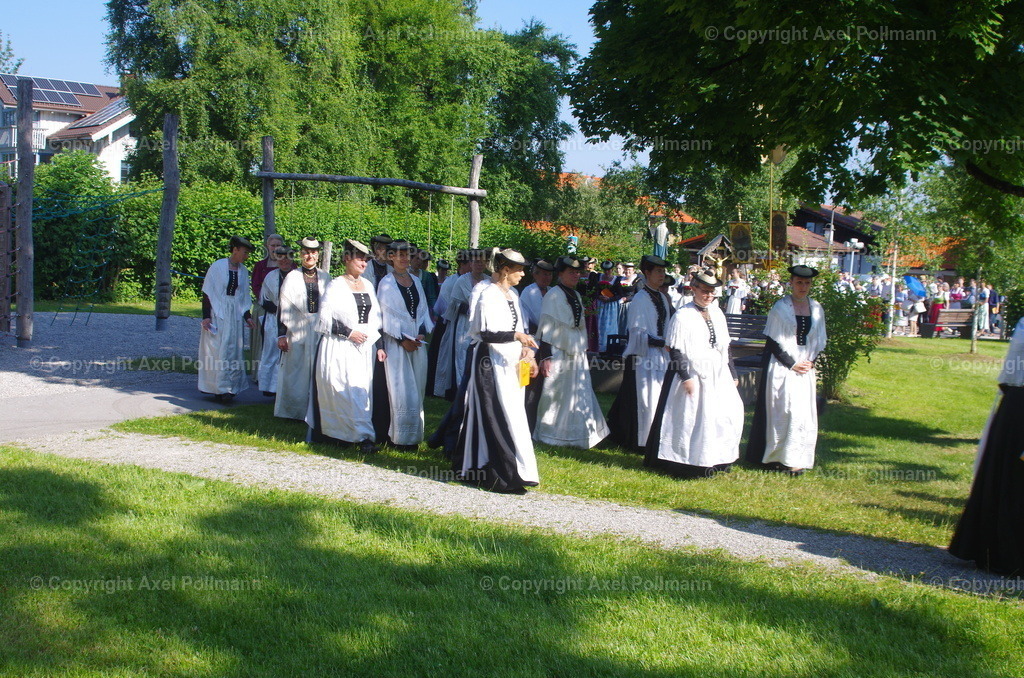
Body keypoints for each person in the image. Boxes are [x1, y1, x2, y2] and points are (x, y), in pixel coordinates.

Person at [456, 248, 540, 494]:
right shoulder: (488, 294)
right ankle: (496, 473)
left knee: (512, 413)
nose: (522, 274)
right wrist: (517, 336)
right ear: (505, 270)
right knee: (493, 413)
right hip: (489, 362)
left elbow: (521, 329)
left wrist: (527, 351)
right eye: (519, 270)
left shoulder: (513, 294)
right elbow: (485, 333)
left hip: (510, 362)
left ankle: (511, 471)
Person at [644, 270, 743, 478]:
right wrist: (686, 377)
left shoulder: (717, 313)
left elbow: (725, 346)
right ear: (694, 289)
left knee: (722, 416)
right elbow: (675, 349)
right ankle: (687, 463)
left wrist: (732, 373)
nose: (708, 295)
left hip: (717, 374)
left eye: (712, 292)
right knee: (690, 418)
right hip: (691, 373)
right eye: (704, 291)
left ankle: (716, 459)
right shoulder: (683, 315)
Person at [948, 316, 1024, 575]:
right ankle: (1002, 551)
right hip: (1016, 407)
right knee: (1011, 476)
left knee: (1010, 476)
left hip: (1015, 406)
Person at [745, 265, 827, 474]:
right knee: (784, 411)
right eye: (799, 282)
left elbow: (818, 340)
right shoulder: (780, 308)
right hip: (783, 367)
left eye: (807, 283)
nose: (803, 287)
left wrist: (811, 361)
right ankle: (777, 457)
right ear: (791, 283)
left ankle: (797, 458)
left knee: (802, 414)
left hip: (805, 368)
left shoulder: (816, 309)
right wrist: (792, 363)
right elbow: (773, 342)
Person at [306, 239, 385, 455]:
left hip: (362, 350)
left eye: (366, 260)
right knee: (341, 391)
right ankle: (349, 435)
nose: (364, 263)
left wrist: (378, 345)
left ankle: (362, 435)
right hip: (339, 347)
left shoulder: (368, 285)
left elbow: (375, 319)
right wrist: (349, 333)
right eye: (359, 258)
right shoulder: (336, 285)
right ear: (347, 259)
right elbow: (324, 318)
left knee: (360, 391)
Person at [534, 256, 610, 449]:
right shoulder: (553, 295)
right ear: (560, 274)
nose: (576, 275)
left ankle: (579, 433)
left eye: (578, 272)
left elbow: (580, 324)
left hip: (576, 350)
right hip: (558, 351)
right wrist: (546, 357)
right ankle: (552, 433)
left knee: (578, 390)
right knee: (557, 392)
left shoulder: (575, 294)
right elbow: (545, 328)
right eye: (571, 272)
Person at [607, 254, 673, 453]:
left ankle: (655, 437)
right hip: (642, 356)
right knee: (644, 397)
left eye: (663, 271)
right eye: (658, 271)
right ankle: (639, 439)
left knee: (659, 395)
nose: (662, 275)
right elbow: (636, 332)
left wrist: (667, 343)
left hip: (661, 355)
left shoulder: (662, 297)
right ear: (647, 273)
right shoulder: (640, 299)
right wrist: (661, 342)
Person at [377, 240, 434, 448]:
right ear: (391, 257)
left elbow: (422, 311)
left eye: (407, 254)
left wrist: (419, 333)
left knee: (417, 388)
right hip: (396, 344)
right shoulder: (386, 283)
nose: (404, 258)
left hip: (416, 344)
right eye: (399, 255)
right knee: (400, 389)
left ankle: (413, 437)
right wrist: (402, 340)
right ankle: (398, 437)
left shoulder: (416, 281)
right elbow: (384, 317)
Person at [274, 237, 331, 420]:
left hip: (319, 331)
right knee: (295, 372)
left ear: (318, 255)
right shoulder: (292, 277)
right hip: (296, 331)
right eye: (306, 252)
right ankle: (293, 411)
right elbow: (283, 307)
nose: (309, 256)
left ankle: (317, 412)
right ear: (301, 254)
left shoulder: (326, 277)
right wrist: (281, 335)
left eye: (313, 252)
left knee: (318, 371)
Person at [198, 236, 257, 401]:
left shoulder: (243, 271)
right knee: (218, 350)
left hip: (234, 315)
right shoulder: (218, 266)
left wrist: (247, 317)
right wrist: (206, 317)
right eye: (245, 252)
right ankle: (218, 387)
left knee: (234, 350)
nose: (246, 256)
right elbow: (208, 292)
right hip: (219, 313)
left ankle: (231, 387)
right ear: (235, 250)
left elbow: (243, 296)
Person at [438, 248, 489, 399]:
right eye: (476, 261)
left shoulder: (488, 281)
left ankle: (477, 389)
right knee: (463, 355)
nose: (479, 264)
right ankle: (462, 390)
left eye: (482, 262)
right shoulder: (462, 281)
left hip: (483, 324)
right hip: (465, 324)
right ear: (471, 263)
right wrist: (470, 309)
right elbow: (454, 304)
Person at [256, 245, 295, 396]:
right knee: (271, 352)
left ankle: (285, 387)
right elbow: (264, 299)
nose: (284, 260)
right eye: (280, 257)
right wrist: (279, 310)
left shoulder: (297, 276)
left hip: (292, 321)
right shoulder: (270, 276)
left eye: (287, 257)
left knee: (289, 353)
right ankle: (270, 387)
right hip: (273, 319)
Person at [431, 251, 470, 399]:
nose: (472, 267)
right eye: (469, 264)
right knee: (448, 356)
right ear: (462, 265)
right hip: (449, 323)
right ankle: (450, 388)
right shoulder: (451, 281)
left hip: (466, 324)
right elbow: (446, 304)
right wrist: (463, 308)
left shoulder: (472, 280)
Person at [594, 260, 624, 354]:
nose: (607, 272)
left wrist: (610, 299)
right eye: (605, 270)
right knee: (599, 324)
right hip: (600, 304)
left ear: (612, 270)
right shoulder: (598, 277)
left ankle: (609, 347)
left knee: (610, 325)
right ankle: (598, 346)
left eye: (609, 270)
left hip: (611, 306)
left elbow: (620, 294)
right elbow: (594, 290)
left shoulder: (616, 280)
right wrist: (599, 296)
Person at [520, 259, 555, 335]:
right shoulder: (529, 291)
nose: (548, 277)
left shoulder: (552, 291)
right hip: (534, 335)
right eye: (545, 274)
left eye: (550, 274)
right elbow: (536, 317)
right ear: (535, 275)